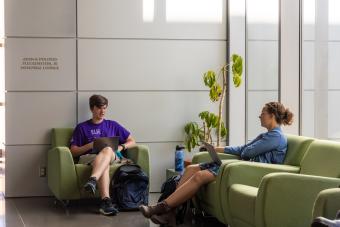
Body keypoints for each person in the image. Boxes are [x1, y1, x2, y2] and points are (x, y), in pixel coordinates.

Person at [139, 101, 294, 225]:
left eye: (263, 113)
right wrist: (216, 149)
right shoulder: (266, 135)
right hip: (243, 167)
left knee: (200, 176)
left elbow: (247, 152)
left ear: (272, 115)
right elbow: (244, 149)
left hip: (250, 172)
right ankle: (171, 212)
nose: (259, 116)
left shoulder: (276, 137)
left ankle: (162, 208)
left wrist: (246, 150)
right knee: (192, 168)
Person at [70, 94, 136, 215]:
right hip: (90, 157)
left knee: (107, 150)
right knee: (104, 163)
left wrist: (121, 147)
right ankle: (105, 202)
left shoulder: (113, 124)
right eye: (99, 108)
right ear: (92, 108)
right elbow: (73, 151)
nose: (103, 111)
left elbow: (132, 141)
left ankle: (93, 179)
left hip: (111, 155)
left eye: (105, 108)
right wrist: (90, 145)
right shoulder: (82, 127)